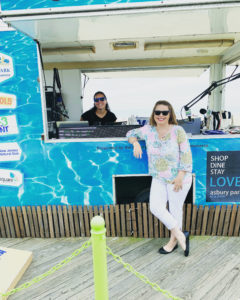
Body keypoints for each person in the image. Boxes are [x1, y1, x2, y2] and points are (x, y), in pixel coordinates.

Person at [126, 100, 192, 256]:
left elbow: (186, 154)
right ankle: (181, 234)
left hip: (178, 177)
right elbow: (130, 133)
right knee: (155, 207)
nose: (161, 115)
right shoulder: (148, 130)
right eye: (158, 112)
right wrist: (135, 143)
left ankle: (173, 242)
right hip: (158, 177)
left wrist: (180, 176)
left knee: (175, 210)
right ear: (153, 114)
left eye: (164, 112)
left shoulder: (178, 130)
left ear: (170, 114)